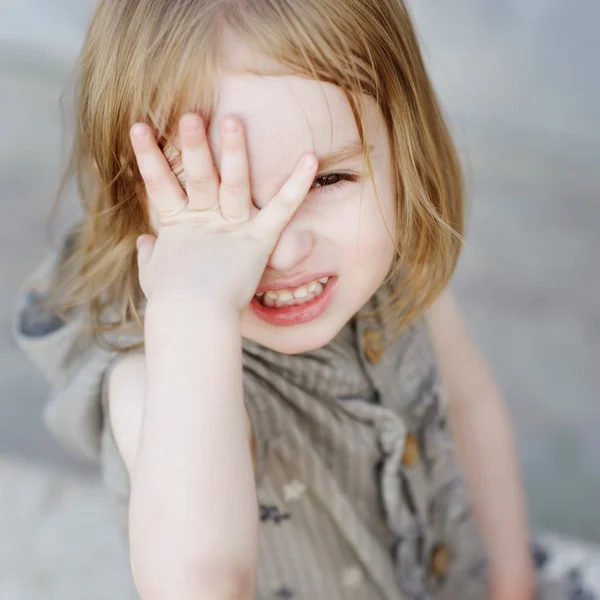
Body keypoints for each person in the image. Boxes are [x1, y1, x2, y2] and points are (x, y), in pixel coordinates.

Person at [12, 0, 599, 598]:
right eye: (218, 201)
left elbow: (469, 406)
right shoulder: (153, 379)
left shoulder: (387, 271)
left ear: (403, 152)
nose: (285, 249)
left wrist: (510, 580)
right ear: (135, 195)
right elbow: (203, 585)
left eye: (328, 180)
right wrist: (195, 314)